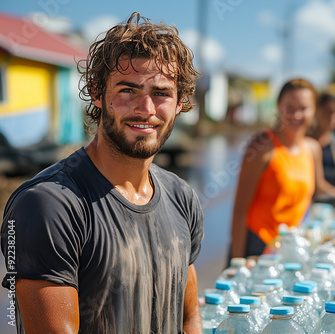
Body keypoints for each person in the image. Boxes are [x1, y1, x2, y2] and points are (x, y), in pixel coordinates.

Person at [0, 13, 203, 333]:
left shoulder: (182, 198)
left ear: (180, 102)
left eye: (161, 92)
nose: (146, 109)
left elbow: (188, 318)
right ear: (97, 93)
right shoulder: (48, 206)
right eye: (127, 90)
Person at [230, 79, 335, 258]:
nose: (296, 115)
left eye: (303, 108)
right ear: (279, 107)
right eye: (290, 108)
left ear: (314, 110)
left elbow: (319, 186)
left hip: (292, 245)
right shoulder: (261, 146)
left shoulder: (312, 148)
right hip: (259, 246)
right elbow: (239, 211)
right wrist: (237, 262)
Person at [308, 93, 335, 190]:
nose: (333, 117)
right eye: (328, 112)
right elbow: (317, 184)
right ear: (317, 111)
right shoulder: (308, 143)